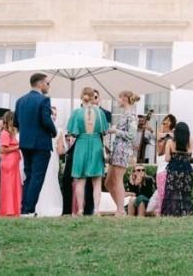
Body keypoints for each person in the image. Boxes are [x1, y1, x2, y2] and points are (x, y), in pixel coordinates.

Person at [14, 71, 58, 216]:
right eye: (48, 83)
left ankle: (24, 209)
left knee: (29, 176)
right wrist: (54, 132)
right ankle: (29, 210)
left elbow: (16, 123)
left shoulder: (20, 101)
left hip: (25, 143)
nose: (49, 86)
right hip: (41, 144)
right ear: (40, 83)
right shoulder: (44, 100)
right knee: (37, 177)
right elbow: (46, 120)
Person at [67, 86, 108, 217]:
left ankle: (80, 209)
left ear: (82, 97)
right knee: (97, 180)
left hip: (81, 144)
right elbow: (105, 131)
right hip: (96, 144)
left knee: (80, 180)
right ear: (93, 97)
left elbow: (72, 133)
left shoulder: (76, 113)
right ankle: (96, 210)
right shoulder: (100, 113)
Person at [107, 91, 140, 217]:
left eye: (119, 98)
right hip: (117, 149)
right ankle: (121, 209)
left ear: (125, 98)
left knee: (117, 180)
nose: (118, 100)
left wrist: (116, 131)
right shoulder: (126, 114)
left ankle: (120, 210)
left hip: (123, 149)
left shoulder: (131, 115)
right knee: (108, 182)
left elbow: (131, 135)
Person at [161, 121, 193, 216]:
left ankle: (171, 213)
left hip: (173, 170)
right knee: (185, 193)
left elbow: (167, 158)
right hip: (186, 170)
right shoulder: (191, 141)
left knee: (172, 193)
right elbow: (189, 157)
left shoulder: (170, 142)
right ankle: (185, 213)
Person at [0, 111, 21, 217]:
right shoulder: (5, 133)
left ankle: (14, 209)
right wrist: (18, 147)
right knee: (9, 187)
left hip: (13, 163)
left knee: (13, 186)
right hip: (8, 163)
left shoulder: (10, 133)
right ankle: (8, 210)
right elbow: (2, 149)